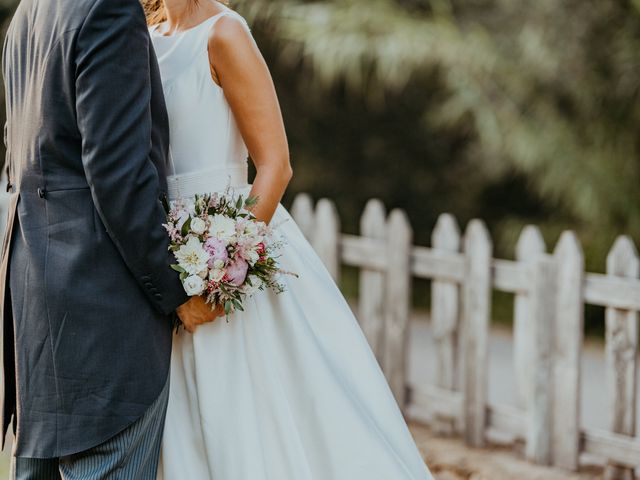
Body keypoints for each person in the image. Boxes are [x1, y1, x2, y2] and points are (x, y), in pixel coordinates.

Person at [148, 0, 433, 478]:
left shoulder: (225, 34)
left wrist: (223, 277)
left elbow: (276, 165)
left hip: (227, 256)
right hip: (165, 262)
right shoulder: (143, 39)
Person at [1, 0, 220, 477]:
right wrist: (175, 291)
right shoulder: (110, 10)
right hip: (100, 304)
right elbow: (118, 176)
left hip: (32, 297)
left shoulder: (28, 11)